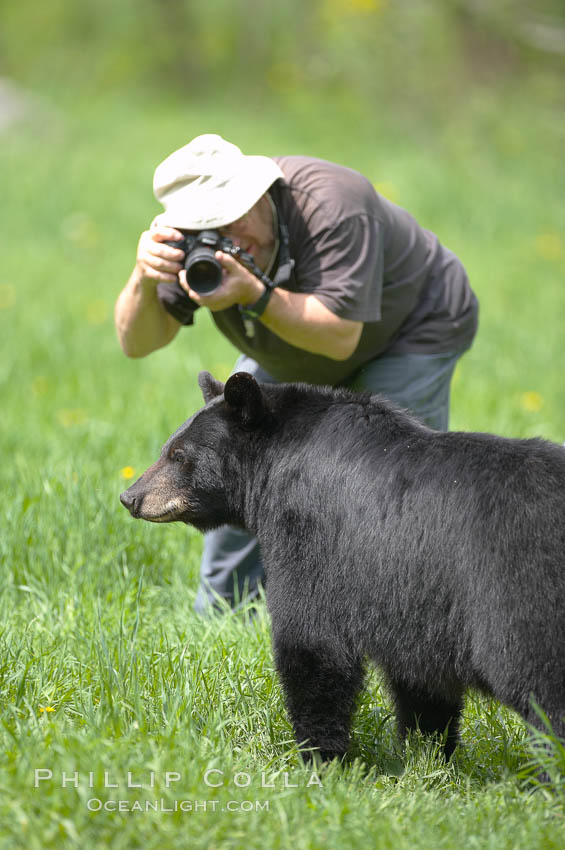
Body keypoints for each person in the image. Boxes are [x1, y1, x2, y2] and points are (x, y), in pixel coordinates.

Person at [115, 134, 478, 613]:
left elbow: (338, 339)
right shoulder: (191, 246)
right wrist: (143, 278)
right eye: (212, 227)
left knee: (394, 483)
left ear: (261, 193)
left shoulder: (334, 204)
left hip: (412, 326)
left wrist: (254, 294)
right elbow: (136, 342)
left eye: (234, 216)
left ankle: (405, 618)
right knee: (234, 453)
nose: (230, 237)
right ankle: (223, 613)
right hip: (295, 339)